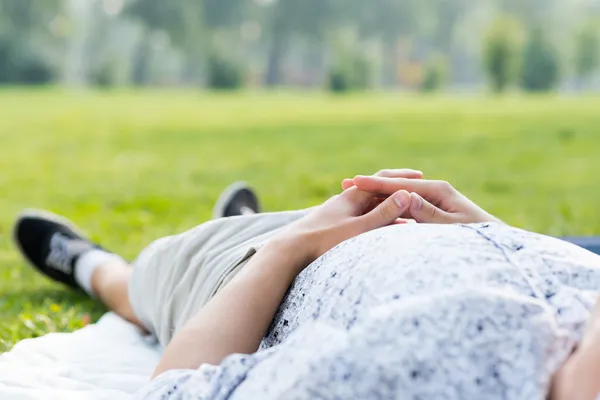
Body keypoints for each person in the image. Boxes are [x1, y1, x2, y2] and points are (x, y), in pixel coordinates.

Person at [11, 170, 600, 400]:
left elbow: (176, 392)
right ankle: (243, 221)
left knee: (146, 282)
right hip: (393, 230)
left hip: (250, 277)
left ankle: (89, 265)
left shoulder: (438, 369)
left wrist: (290, 246)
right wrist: (501, 234)